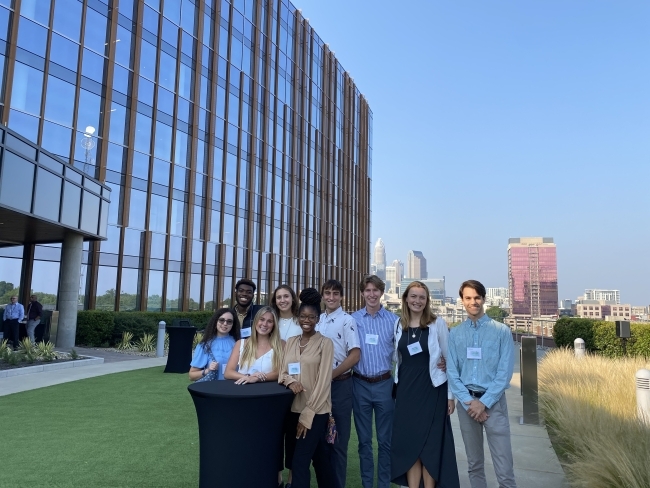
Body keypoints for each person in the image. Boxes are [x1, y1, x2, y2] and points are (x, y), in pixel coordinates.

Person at [447, 280, 517, 488]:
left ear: (484, 299)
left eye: (477, 297)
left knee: (504, 468)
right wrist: (470, 402)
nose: (473, 302)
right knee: (474, 465)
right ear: (462, 301)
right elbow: (453, 372)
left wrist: (483, 403)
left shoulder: (501, 331)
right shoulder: (456, 333)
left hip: (494, 404)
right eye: (468, 298)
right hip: (467, 406)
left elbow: (504, 373)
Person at [391, 281, 460, 488]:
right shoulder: (398, 324)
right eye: (413, 296)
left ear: (427, 301)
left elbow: (449, 360)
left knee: (429, 446)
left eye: (422, 297)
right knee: (411, 445)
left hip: (432, 390)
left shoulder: (436, 324)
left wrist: (450, 396)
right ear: (406, 299)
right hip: (406, 392)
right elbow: (397, 359)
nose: (417, 301)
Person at [279, 288, 334, 488]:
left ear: (318, 319)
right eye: (303, 316)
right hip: (293, 409)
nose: (307, 320)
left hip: (316, 411)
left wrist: (308, 414)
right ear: (298, 317)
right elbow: (282, 373)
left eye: (312, 317)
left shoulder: (325, 344)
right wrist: (290, 381)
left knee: (300, 462)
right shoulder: (292, 342)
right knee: (320, 459)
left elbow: (323, 382)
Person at [351, 275, 399, 488]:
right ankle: (367, 484)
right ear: (362, 293)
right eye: (367, 290)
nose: (372, 294)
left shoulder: (393, 321)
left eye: (375, 290)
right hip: (359, 383)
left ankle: (384, 485)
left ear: (382, 292)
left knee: (385, 442)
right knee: (363, 442)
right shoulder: (353, 320)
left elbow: (404, 353)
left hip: (384, 384)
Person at [315, 279, 360, 488]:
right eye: (327, 293)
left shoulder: (347, 320)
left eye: (335, 293)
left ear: (341, 297)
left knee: (338, 442)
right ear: (322, 296)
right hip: (317, 388)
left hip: (340, 385)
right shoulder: (318, 321)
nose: (331, 297)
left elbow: (355, 355)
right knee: (321, 442)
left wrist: (330, 374)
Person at [270, 284, 303, 488]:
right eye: (279, 297)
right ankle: (277, 475)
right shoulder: (270, 321)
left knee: (293, 432)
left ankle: (292, 476)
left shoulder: (301, 321)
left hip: (296, 382)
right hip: (273, 382)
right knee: (275, 432)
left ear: (292, 299)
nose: (282, 300)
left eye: (286, 296)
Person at [225, 306, 284, 384]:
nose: (264, 324)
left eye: (269, 321)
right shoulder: (241, 343)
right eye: (262, 319)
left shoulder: (281, 344)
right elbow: (228, 372)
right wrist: (248, 377)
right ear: (256, 321)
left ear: (274, 325)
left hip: (268, 393)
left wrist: (257, 378)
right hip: (242, 392)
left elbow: (279, 372)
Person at [188, 308, 240, 382]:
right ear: (216, 321)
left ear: (233, 324)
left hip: (234, 389)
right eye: (221, 320)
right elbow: (191, 376)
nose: (225, 324)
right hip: (213, 390)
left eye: (229, 321)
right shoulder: (205, 345)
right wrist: (207, 370)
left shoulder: (239, 343)